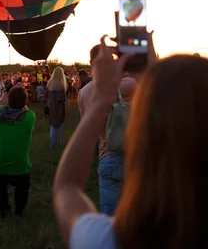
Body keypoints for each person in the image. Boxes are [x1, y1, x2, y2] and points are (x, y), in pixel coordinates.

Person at [53, 37, 208, 248]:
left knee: (110, 210)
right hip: (131, 161)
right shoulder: (133, 85)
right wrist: (152, 71)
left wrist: (100, 101)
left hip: (108, 157)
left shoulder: (105, 239)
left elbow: (66, 187)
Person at [77, 44, 138, 215]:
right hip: (135, 154)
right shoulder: (128, 84)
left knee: (110, 217)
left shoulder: (84, 93)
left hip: (107, 154)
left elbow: (87, 129)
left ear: (91, 62)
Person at [0, 86, 35, 218]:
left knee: (0, 188)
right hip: (20, 165)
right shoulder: (29, 117)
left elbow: (0, 103)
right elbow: (25, 109)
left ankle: (4, 210)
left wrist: (6, 91)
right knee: (22, 187)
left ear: (9, 100)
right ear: (25, 102)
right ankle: (19, 211)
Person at [45, 67, 68, 149]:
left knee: (53, 126)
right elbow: (63, 99)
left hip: (51, 107)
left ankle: (54, 143)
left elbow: (46, 96)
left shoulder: (49, 83)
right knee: (60, 125)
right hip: (59, 108)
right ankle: (58, 142)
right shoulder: (61, 85)